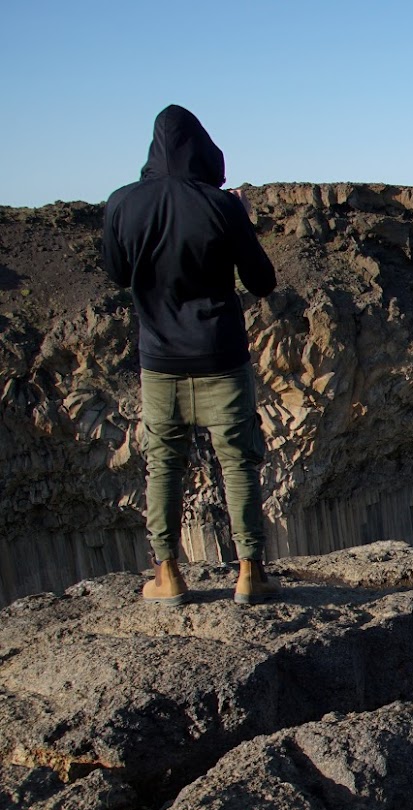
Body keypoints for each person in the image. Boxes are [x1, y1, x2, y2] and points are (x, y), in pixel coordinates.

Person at [101, 104, 280, 605]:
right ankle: (250, 572)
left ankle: (168, 574)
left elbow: (117, 274)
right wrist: (239, 217)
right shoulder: (219, 205)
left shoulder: (121, 203)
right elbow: (262, 281)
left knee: (163, 465)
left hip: (160, 361)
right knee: (238, 463)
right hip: (221, 356)